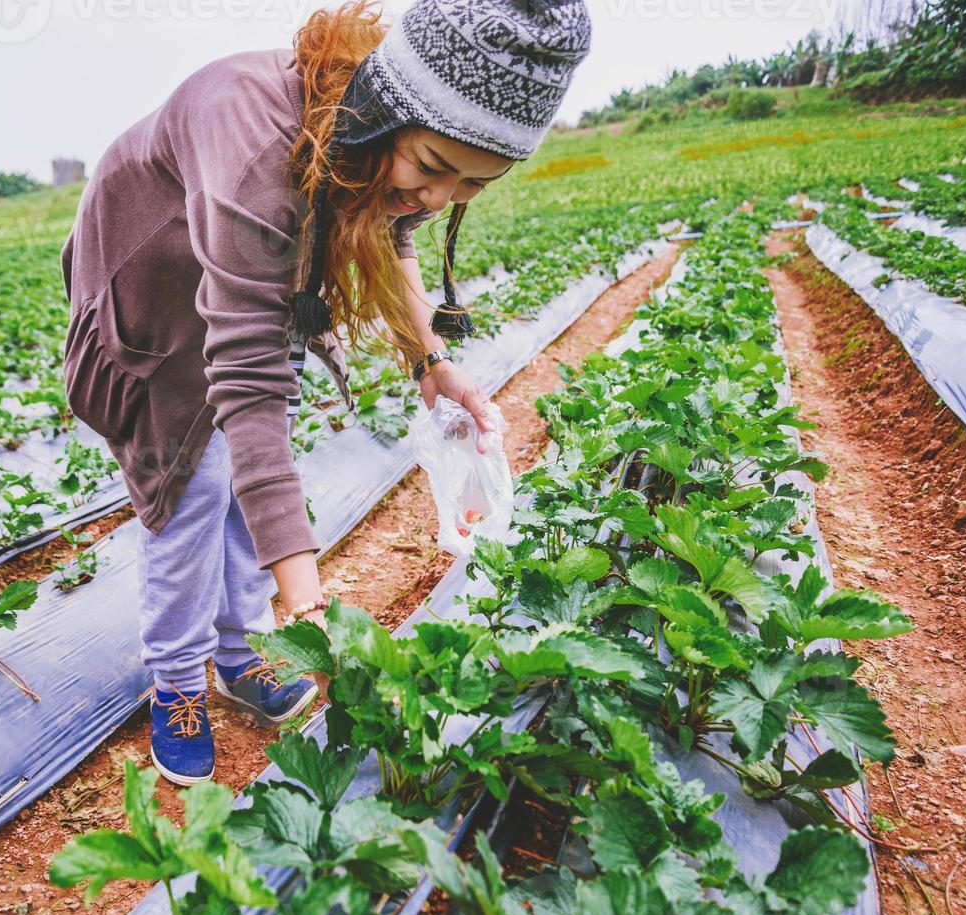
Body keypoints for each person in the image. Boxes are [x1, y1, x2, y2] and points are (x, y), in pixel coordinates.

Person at [61, 0, 592, 786]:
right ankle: (176, 682)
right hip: (157, 291)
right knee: (193, 489)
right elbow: (245, 383)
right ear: (391, 115)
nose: (444, 196)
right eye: (434, 167)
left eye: (476, 182)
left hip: (252, 268)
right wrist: (311, 609)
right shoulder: (254, 145)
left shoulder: (367, 140)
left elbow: (393, 228)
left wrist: (430, 362)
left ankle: (242, 655)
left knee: (250, 487)